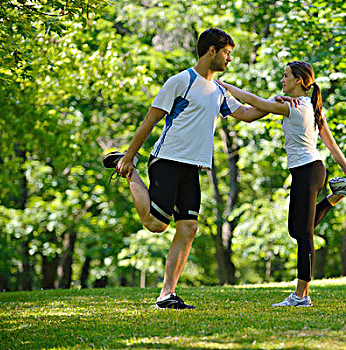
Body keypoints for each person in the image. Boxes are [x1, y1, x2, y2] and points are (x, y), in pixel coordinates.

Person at [103, 28, 269, 309]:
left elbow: (249, 114)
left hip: (193, 167)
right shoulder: (181, 81)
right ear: (211, 51)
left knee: (189, 227)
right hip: (167, 158)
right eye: (227, 53)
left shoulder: (219, 91)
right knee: (156, 224)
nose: (230, 59)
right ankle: (130, 172)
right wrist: (130, 157)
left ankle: (166, 295)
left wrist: (277, 104)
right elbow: (150, 121)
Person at [216, 61, 346, 307]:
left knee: (304, 235)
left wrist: (223, 85)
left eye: (285, 76)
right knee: (295, 229)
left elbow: (256, 102)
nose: (282, 80)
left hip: (307, 171)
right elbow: (330, 143)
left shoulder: (295, 108)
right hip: (311, 170)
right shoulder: (309, 105)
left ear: (299, 80)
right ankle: (336, 195)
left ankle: (301, 295)